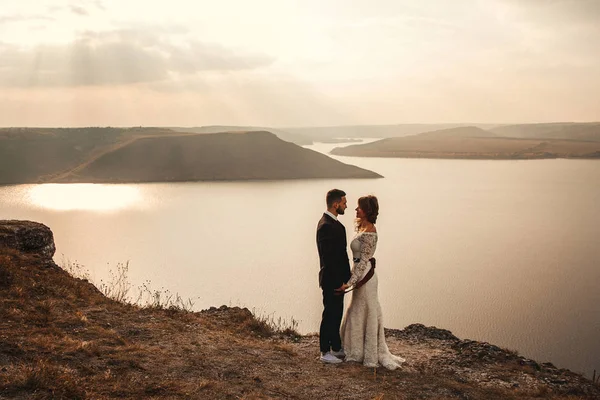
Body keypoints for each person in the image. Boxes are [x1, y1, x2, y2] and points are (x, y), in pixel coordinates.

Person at [339, 195, 406, 370]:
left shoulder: (370, 232)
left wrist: (350, 282)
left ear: (367, 210)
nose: (355, 210)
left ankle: (366, 352)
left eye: (359, 207)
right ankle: (354, 348)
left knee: (366, 309)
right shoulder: (361, 226)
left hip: (365, 276)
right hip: (359, 272)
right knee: (357, 308)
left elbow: (363, 261)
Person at [316, 189, 350, 364]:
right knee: (329, 315)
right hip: (331, 280)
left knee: (337, 314)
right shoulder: (326, 226)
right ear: (336, 204)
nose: (346, 205)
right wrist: (338, 282)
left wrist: (347, 279)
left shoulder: (337, 225)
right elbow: (328, 259)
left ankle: (336, 348)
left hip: (339, 281)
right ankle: (324, 351)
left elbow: (342, 256)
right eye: (344, 202)